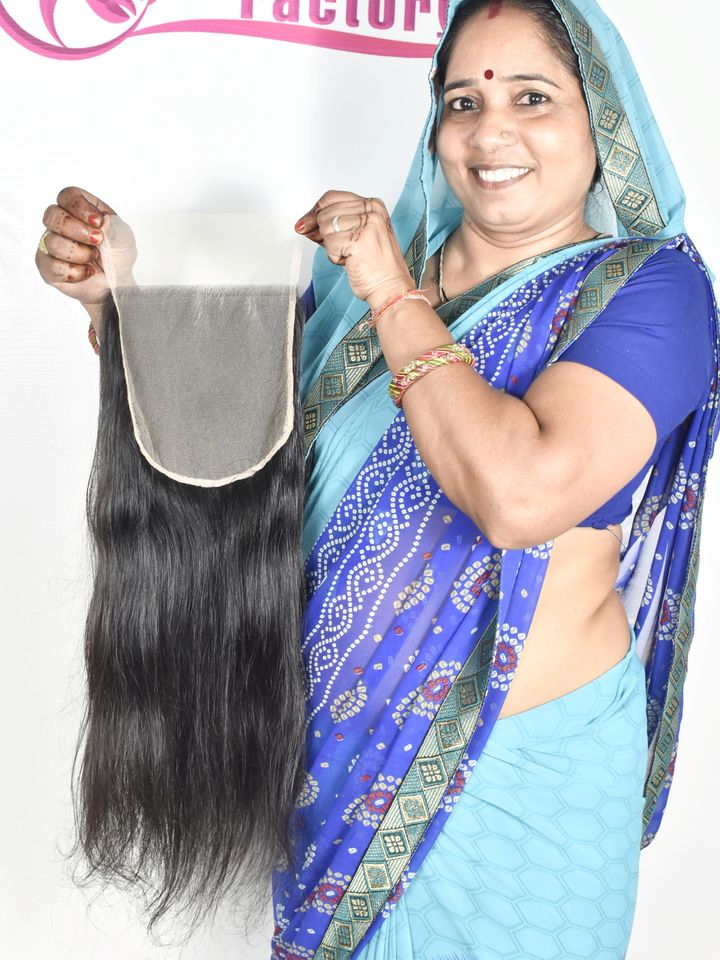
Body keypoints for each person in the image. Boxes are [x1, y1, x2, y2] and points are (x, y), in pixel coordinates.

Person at [34, 1, 719, 958]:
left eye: (532, 97)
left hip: (516, 793)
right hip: (327, 775)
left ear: (602, 117)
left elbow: (518, 496)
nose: (491, 131)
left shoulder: (648, 290)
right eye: (463, 101)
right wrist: (114, 300)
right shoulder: (350, 288)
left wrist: (395, 294)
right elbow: (232, 449)